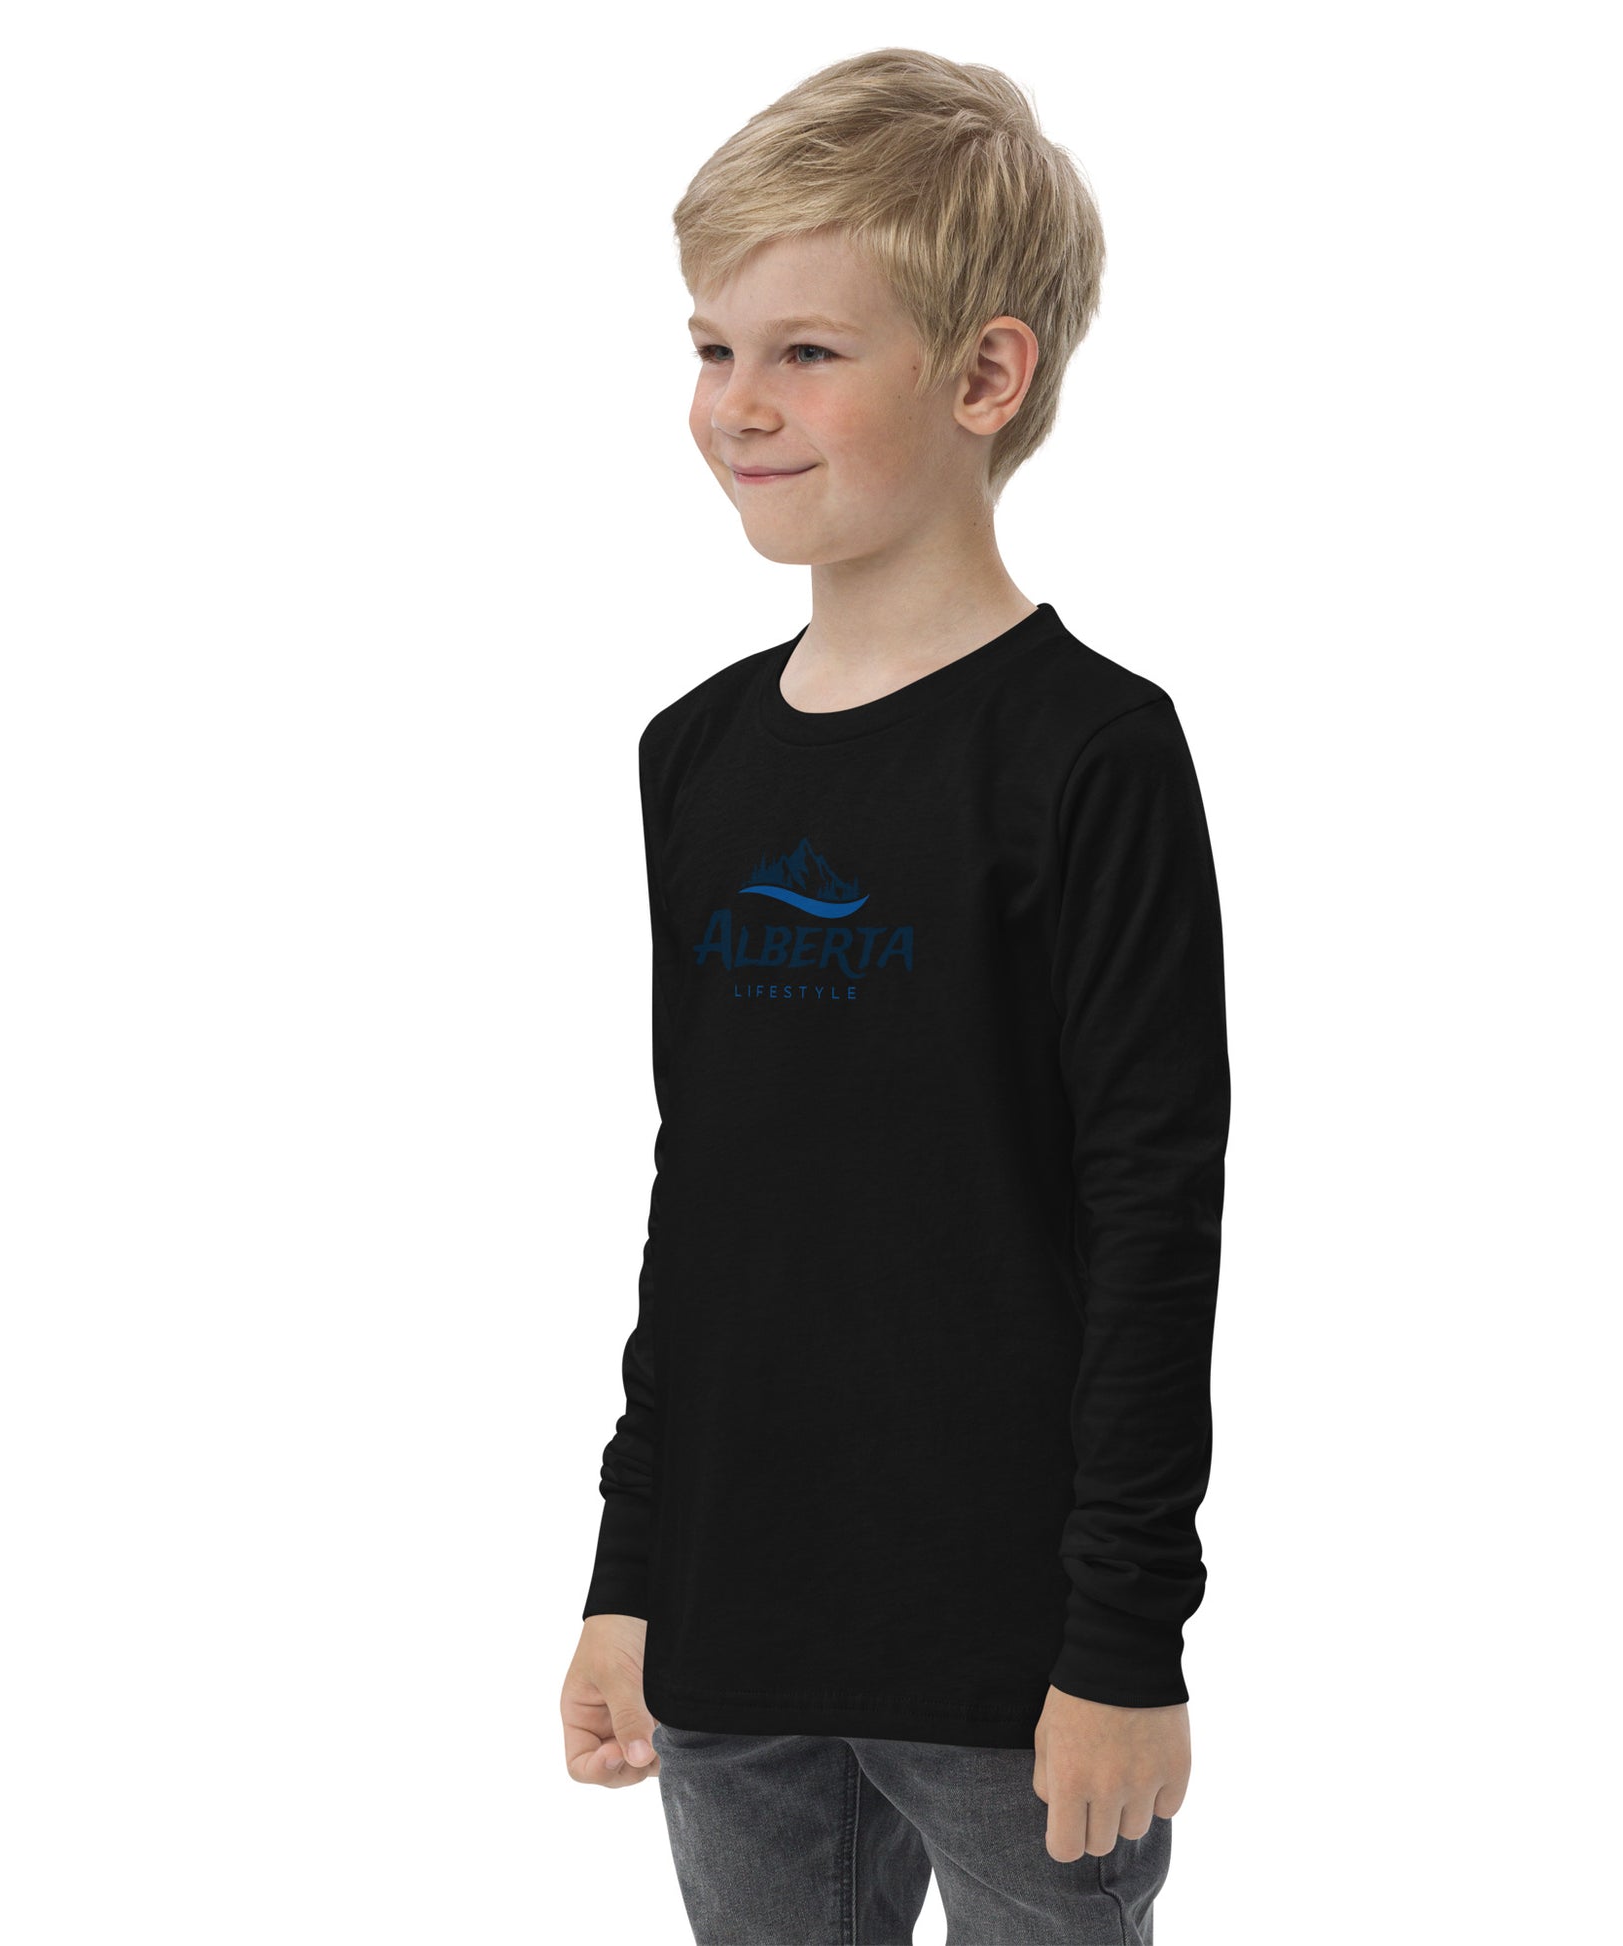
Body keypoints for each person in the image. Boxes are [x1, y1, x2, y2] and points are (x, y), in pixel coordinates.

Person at [559, 46, 1230, 1945]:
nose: (736, 404)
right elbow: (708, 1192)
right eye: (713, 346)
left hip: (1012, 1660)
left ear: (985, 374)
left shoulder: (1090, 758)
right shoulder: (695, 759)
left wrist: (1123, 1640)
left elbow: (1150, 1211)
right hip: (731, 1634)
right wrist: (629, 1569)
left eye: (805, 351)